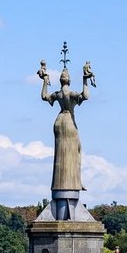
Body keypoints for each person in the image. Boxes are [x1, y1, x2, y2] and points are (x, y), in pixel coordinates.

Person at [40, 57, 94, 193]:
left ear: (60, 80)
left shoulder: (58, 94)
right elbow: (86, 96)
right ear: (69, 80)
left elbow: (44, 96)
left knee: (61, 153)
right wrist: (85, 80)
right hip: (69, 121)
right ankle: (76, 180)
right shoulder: (71, 93)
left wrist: (45, 80)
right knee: (77, 149)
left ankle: (67, 181)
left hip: (59, 121)